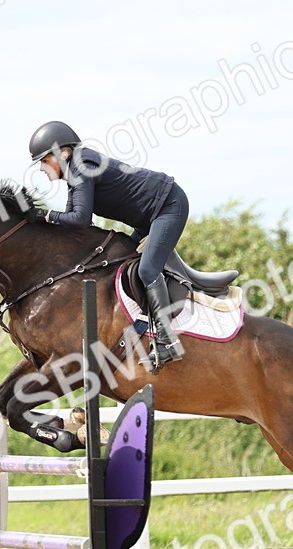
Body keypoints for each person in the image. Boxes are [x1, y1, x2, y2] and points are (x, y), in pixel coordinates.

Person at [26, 120, 187, 371]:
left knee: (147, 270)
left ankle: (167, 342)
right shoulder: (76, 172)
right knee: (122, 258)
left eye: (44, 160)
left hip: (168, 206)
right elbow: (72, 224)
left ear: (63, 153)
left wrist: (45, 216)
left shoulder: (81, 166)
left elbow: (80, 220)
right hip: (150, 215)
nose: (41, 168)